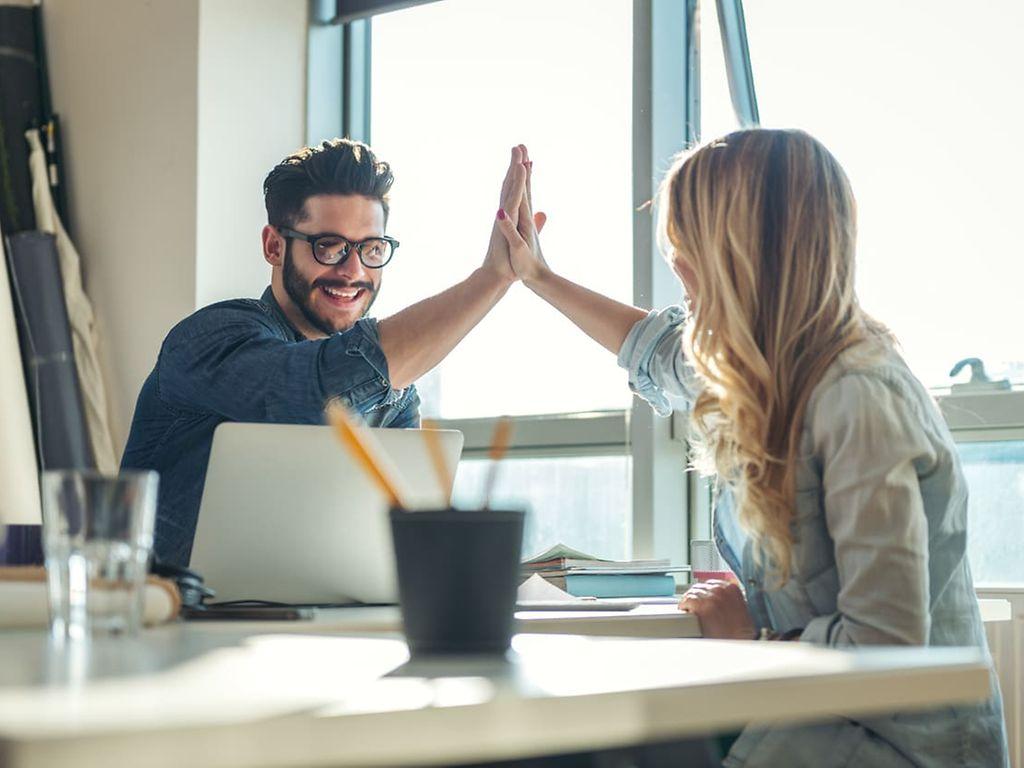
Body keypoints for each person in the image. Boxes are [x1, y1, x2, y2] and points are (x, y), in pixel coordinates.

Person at [495, 129, 1008, 767]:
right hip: (811, 723)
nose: (676, 266)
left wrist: (756, 638)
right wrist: (537, 275)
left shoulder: (859, 397)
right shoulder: (769, 372)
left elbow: (887, 650)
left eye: (688, 245)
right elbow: (653, 350)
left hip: (890, 749)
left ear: (742, 254)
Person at [122, 139, 538, 566]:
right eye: (329, 246)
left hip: (315, 621)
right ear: (274, 246)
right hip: (170, 620)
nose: (354, 271)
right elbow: (313, 395)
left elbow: (395, 545)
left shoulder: (395, 394)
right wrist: (491, 278)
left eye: (371, 249)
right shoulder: (212, 339)